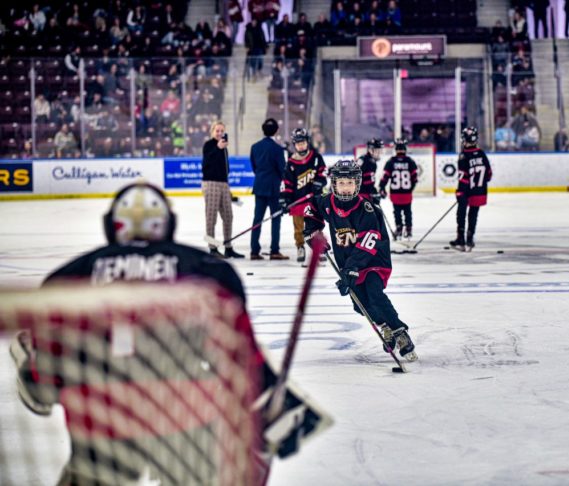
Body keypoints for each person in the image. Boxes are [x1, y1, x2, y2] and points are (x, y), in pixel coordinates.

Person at [10, 182, 330, 485]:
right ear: (168, 224)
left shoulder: (69, 276)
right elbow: (241, 357)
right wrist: (275, 405)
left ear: (112, 225)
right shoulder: (208, 270)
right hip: (186, 423)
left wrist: (34, 376)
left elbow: (46, 376)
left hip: (102, 429)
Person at [303, 160, 417, 360]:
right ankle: (384, 326)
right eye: (341, 183)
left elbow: (368, 242)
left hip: (374, 259)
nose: (346, 188)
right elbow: (311, 208)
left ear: (357, 184)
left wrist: (352, 268)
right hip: (348, 261)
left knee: (374, 293)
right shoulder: (327, 202)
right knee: (359, 303)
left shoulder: (366, 208)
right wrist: (312, 232)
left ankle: (399, 331)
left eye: (350, 183)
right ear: (334, 184)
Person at [279, 128, 327, 263]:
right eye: (298, 143)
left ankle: (318, 248)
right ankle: (300, 246)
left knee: (315, 226)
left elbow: (323, 172)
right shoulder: (291, 162)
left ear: (307, 142)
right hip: (298, 201)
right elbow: (287, 182)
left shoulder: (316, 158)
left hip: (314, 201)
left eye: (303, 142)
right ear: (294, 145)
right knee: (299, 228)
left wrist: (319, 182)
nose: (301, 145)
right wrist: (284, 199)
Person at [202, 121, 244, 258]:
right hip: (211, 183)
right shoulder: (209, 145)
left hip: (224, 184)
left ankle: (228, 246)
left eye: (222, 131)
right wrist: (217, 148)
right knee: (211, 217)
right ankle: (212, 248)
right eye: (217, 131)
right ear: (212, 131)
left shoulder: (224, 147)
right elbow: (206, 163)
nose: (220, 133)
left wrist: (227, 186)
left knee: (228, 216)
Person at [249, 118, 289, 260]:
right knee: (276, 219)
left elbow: (254, 167)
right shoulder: (278, 149)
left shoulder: (255, 147)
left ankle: (254, 251)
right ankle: (274, 250)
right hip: (273, 188)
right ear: (276, 130)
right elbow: (282, 169)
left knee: (257, 219)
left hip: (259, 186)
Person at [450, 127, 492, 252]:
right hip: (479, 192)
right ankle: (470, 238)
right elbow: (488, 175)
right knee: (473, 214)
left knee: (461, 214)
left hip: (466, 191)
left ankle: (460, 239)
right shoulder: (481, 153)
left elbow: (463, 177)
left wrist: (460, 191)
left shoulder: (464, 155)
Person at [378, 138, 418, 239]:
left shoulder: (391, 162)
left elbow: (385, 177)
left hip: (395, 193)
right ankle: (408, 230)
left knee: (397, 212)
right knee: (408, 211)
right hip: (406, 193)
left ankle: (399, 228)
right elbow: (415, 179)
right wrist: (410, 189)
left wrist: (382, 187)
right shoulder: (410, 162)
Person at [356, 137, 384, 204]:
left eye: (380, 151)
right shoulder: (371, 162)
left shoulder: (362, 158)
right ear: (370, 150)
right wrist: (374, 192)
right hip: (364, 195)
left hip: (357, 193)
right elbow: (368, 182)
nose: (379, 153)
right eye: (377, 151)